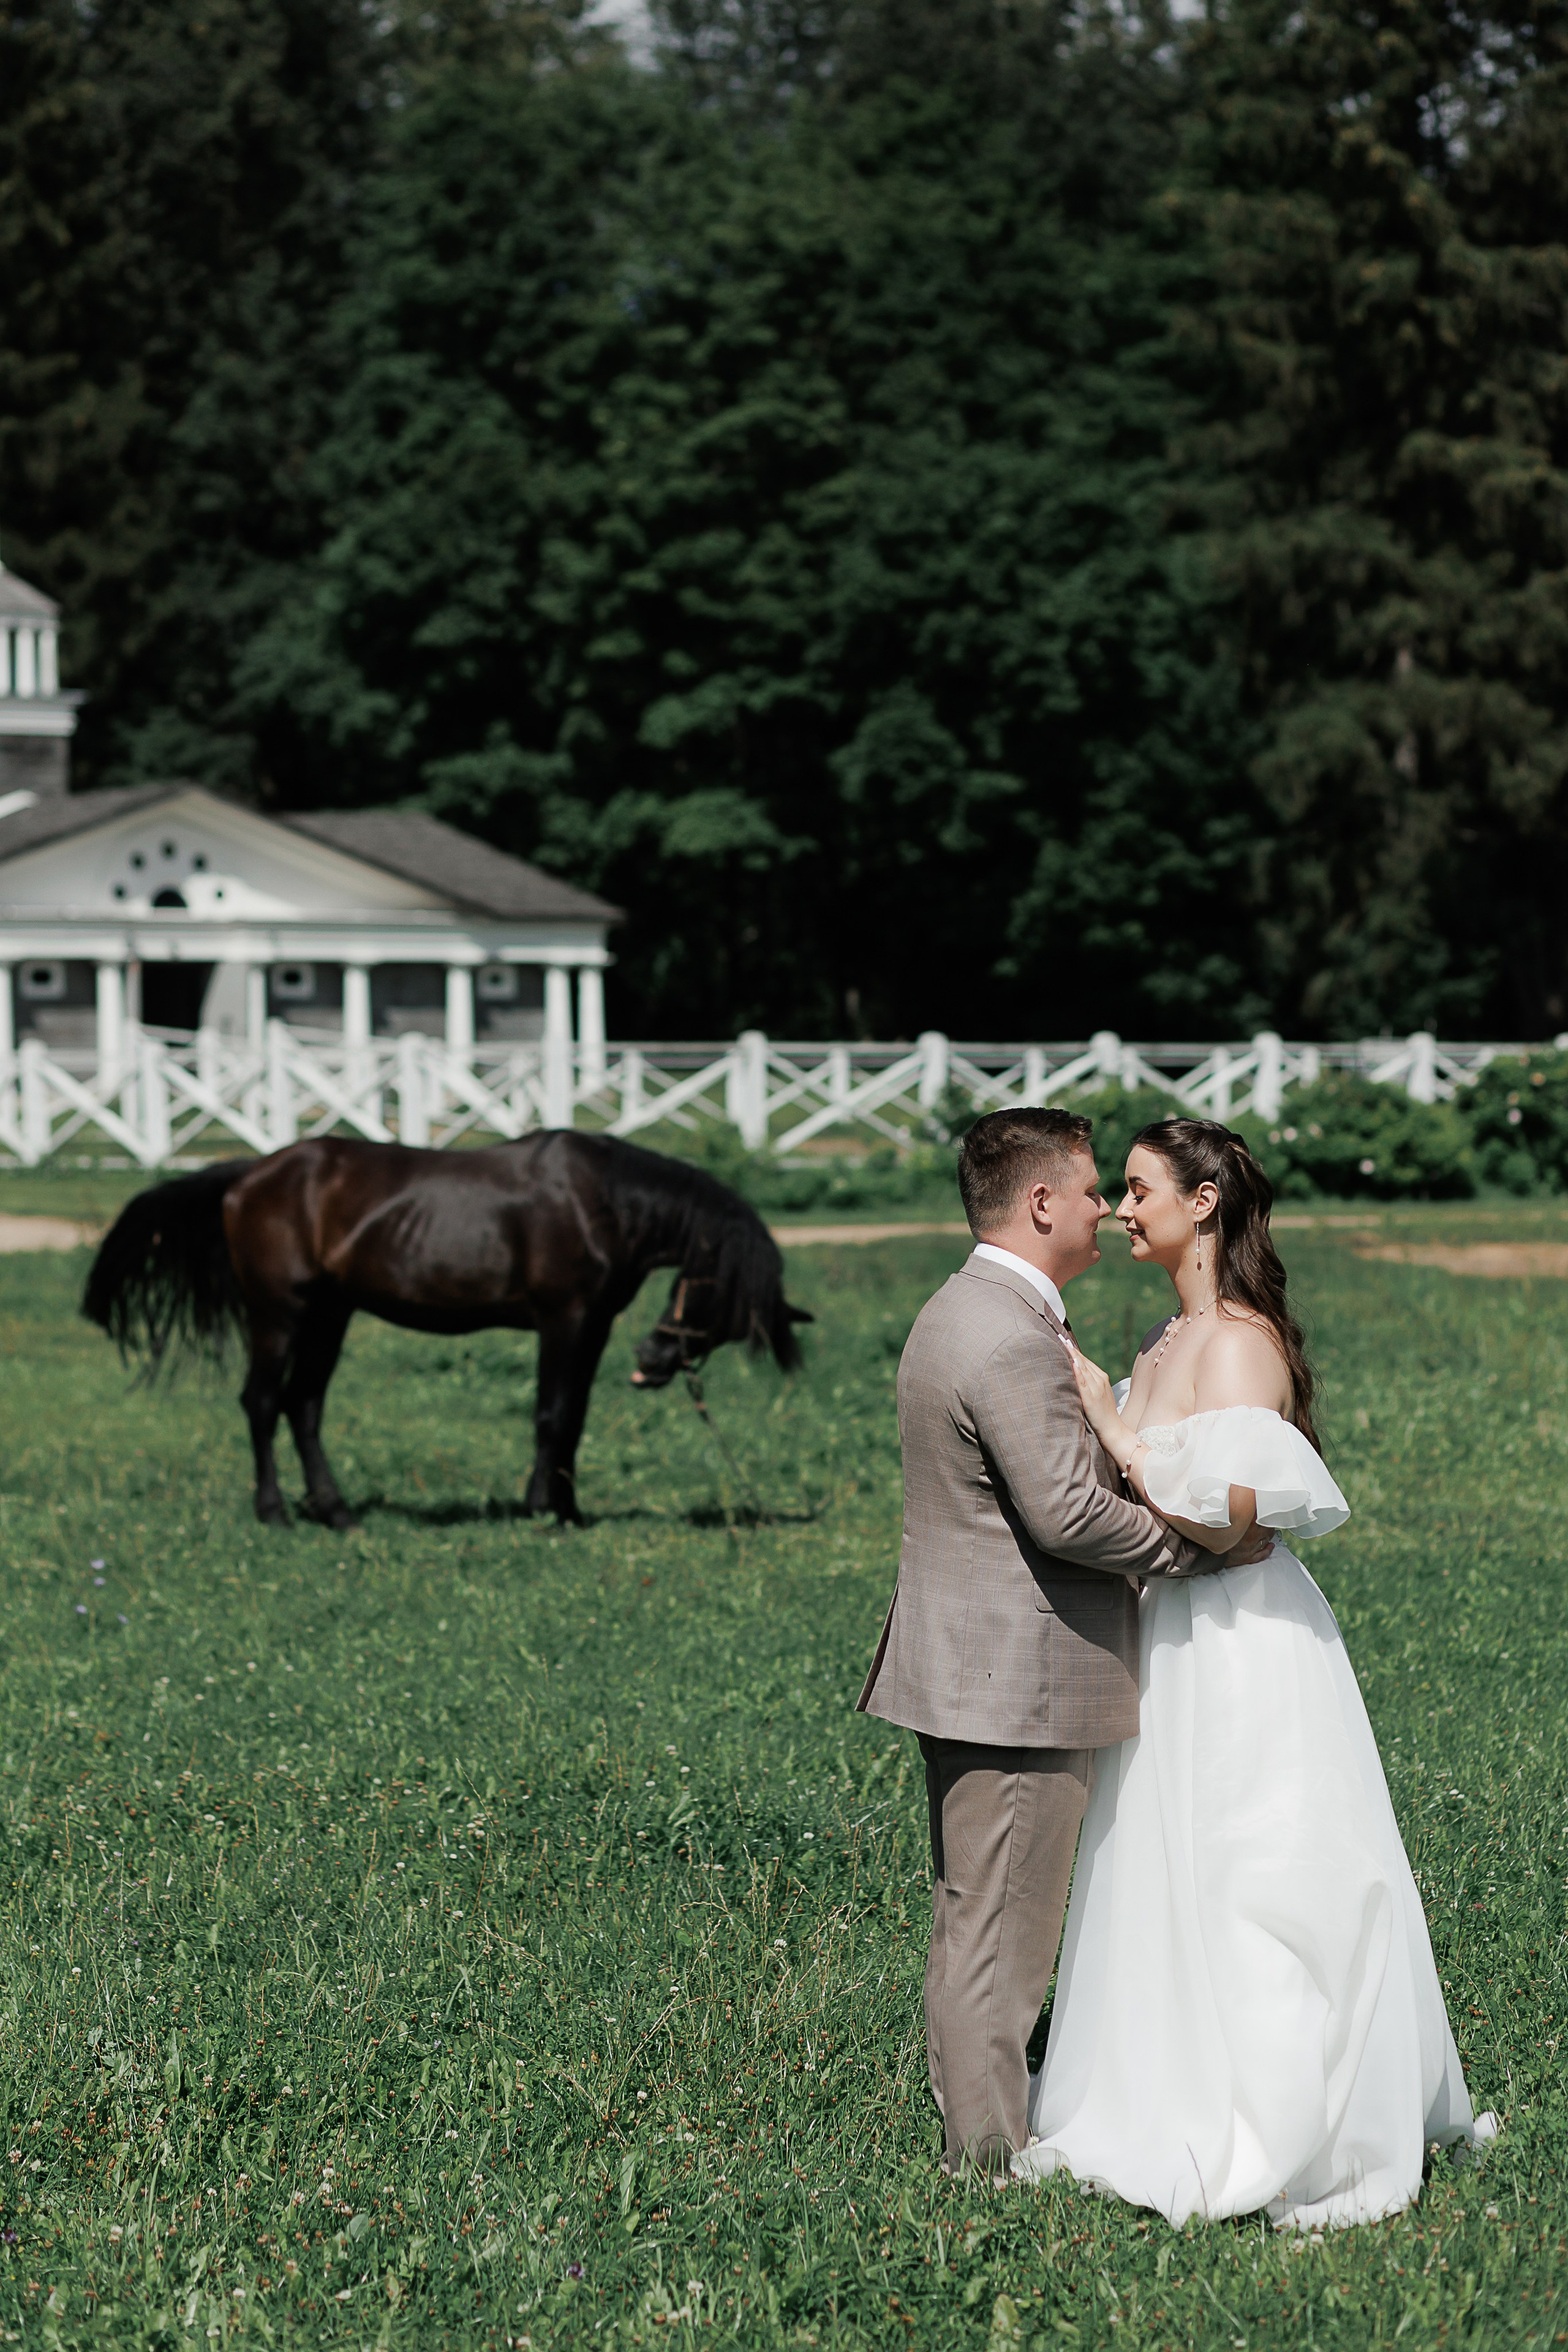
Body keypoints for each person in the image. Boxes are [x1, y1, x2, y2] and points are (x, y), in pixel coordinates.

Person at [1015, 1117, 1496, 2227]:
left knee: (1255, 1867)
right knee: (1163, 1863)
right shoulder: (1171, 1337)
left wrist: (1114, 1431)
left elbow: (1231, 1528)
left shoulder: (1235, 1345)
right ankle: (1169, 2083)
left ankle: (1285, 2116)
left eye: (1139, 1192)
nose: (1121, 1211)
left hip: (1239, 1641)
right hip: (1174, 1634)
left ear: (1205, 1203)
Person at [856, 1108, 1266, 2176]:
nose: (1106, 1208)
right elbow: (1067, 1516)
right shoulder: (1002, 1331)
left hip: (982, 1668)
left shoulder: (967, 1308)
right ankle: (987, 2162)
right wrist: (1199, 1556)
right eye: (1093, 1190)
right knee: (997, 1931)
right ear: (1042, 1203)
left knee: (977, 1913)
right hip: (1017, 1680)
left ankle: (985, 2132)